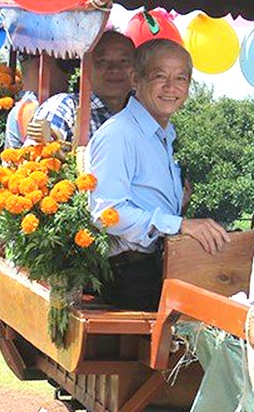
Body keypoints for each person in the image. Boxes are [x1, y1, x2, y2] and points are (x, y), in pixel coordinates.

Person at [86, 39, 230, 310]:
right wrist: (180, 225)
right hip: (130, 279)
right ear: (135, 79)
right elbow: (107, 214)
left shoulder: (162, 133)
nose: (170, 87)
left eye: (180, 78)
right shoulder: (120, 133)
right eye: (159, 76)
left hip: (162, 267)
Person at [27, 30, 135, 145]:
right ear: (86, 65)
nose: (115, 69)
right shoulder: (65, 107)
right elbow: (38, 157)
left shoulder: (143, 112)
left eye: (124, 61)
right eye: (103, 61)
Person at [4, 53, 72, 149]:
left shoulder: (20, 109)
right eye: (65, 66)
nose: (70, 74)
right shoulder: (31, 108)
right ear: (41, 67)